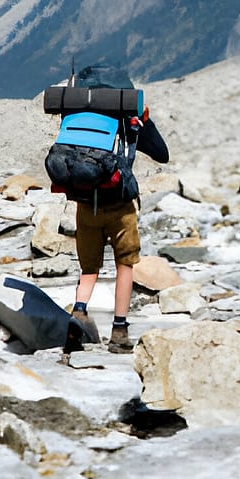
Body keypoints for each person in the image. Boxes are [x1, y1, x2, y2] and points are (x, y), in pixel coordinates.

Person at [64, 65, 169, 353]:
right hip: (121, 206)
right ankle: (119, 331)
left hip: (86, 205)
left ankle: (79, 311)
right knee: (125, 264)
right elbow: (162, 154)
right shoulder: (127, 122)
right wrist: (145, 121)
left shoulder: (76, 118)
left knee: (89, 268)